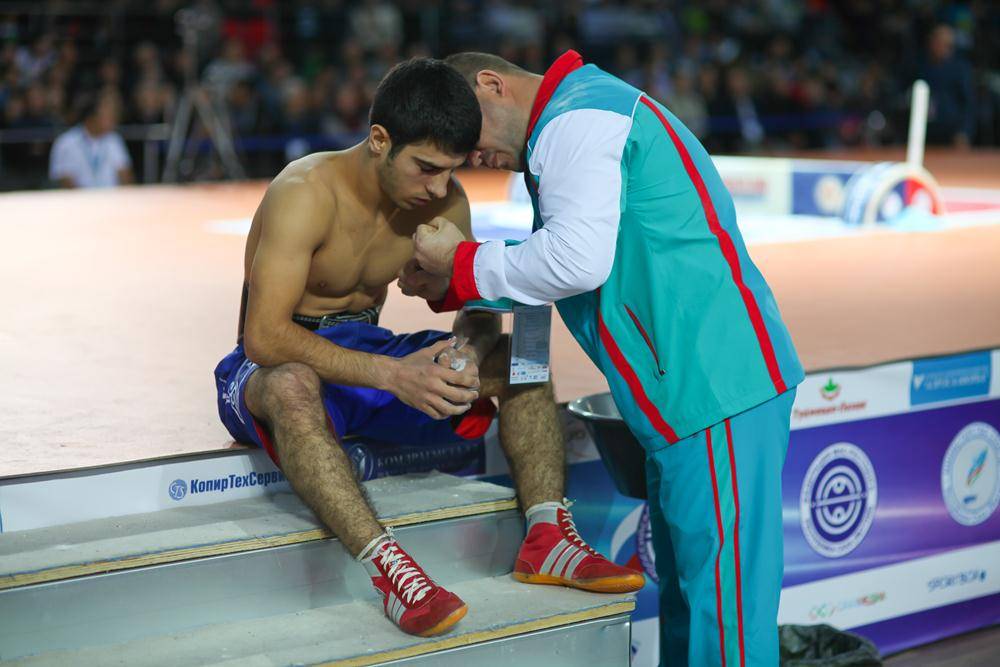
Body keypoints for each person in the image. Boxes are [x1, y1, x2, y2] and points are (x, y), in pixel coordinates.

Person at [213, 58, 643, 639]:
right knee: (292, 384)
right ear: (379, 140)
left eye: (451, 171)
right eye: (426, 169)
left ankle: (548, 538)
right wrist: (395, 376)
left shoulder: (442, 201)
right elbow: (264, 337)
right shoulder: (304, 193)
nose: (440, 188)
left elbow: (480, 302)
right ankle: (391, 571)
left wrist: (467, 351)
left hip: (366, 352)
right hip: (273, 365)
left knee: (523, 356)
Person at [411, 51, 804, 665]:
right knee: (692, 607)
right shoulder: (575, 115)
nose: (473, 156)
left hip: (711, 390)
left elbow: (575, 262)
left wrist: (463, 263)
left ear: (492, 85)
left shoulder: (575, 121)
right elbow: (555, 268)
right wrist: (461, 291)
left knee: (722, 623)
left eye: (470, 136)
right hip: (693, 394)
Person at [49, 94, 134, 188]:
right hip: (79, 197)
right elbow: (65, 181)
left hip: (112, 196)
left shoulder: (114, 140)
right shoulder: (66, 142)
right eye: (107, 114)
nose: (113, 118)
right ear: (91, 117)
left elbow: (126, 177)